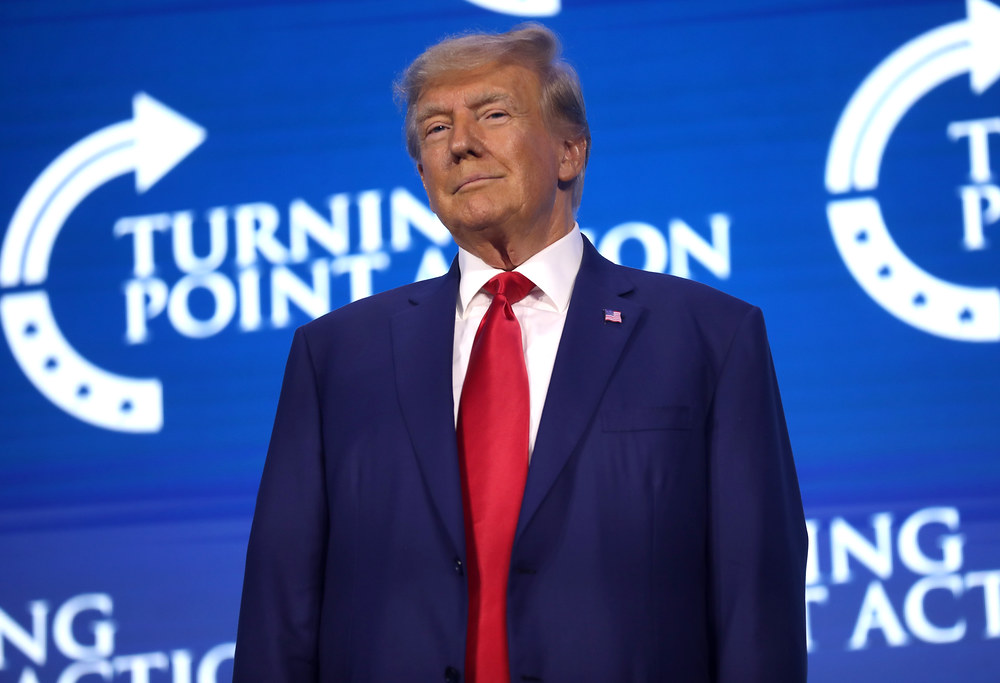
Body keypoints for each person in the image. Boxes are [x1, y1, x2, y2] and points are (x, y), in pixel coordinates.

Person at [234, 23, 807, 683]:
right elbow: (279, 610)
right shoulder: (335, 356)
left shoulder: (709, 337)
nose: (461, 144)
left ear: (569, 151)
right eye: (436, 129)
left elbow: (756, 598)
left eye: (493, 115)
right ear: (422, 174)